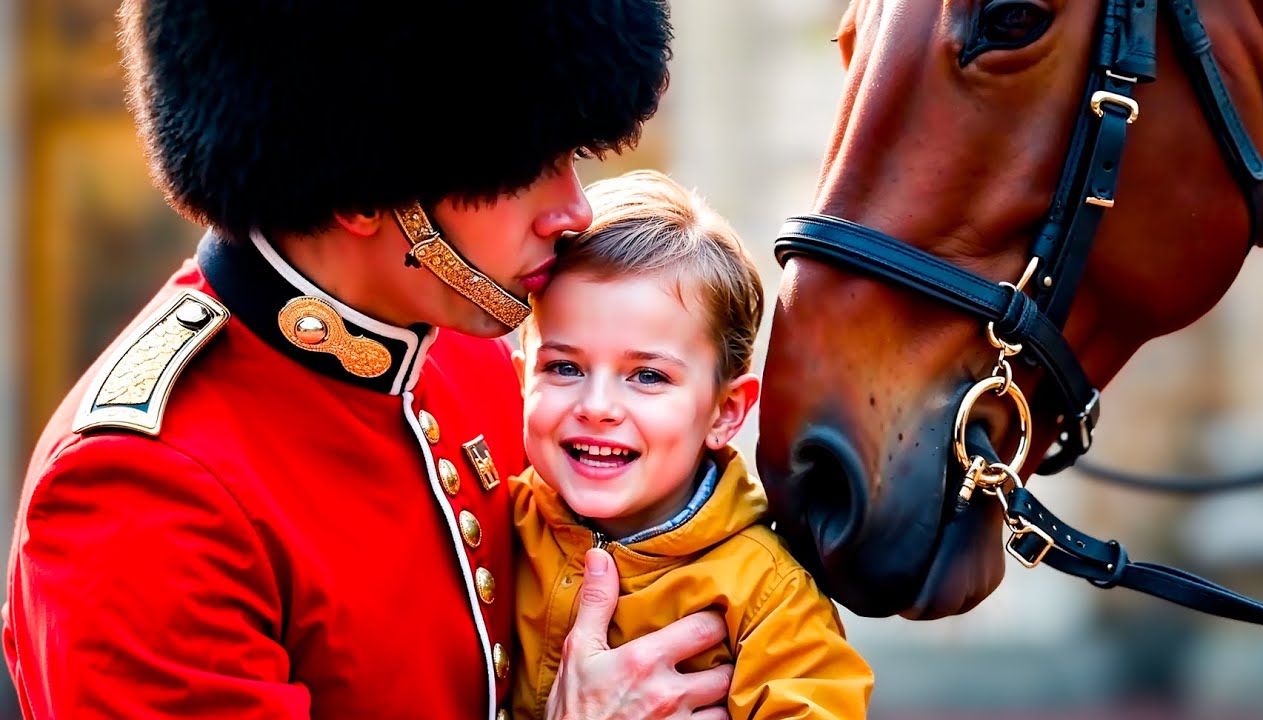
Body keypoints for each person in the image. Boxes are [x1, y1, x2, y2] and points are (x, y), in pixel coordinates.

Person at [3, 2, 735, 718]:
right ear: (361, 189)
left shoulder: (460, 346)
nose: (573, 210)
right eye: (524, 164)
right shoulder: (140, 492)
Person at [509, 169, 875, 720]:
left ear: (725, 412)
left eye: (648, 376)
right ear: (521, 380)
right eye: (564, 367)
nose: (598, 405)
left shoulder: (769, 598)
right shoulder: (491, 524)